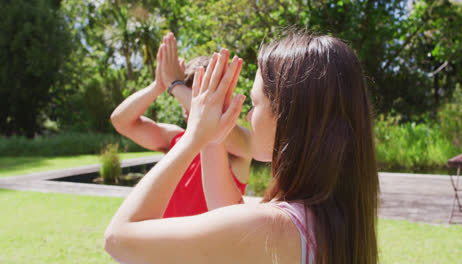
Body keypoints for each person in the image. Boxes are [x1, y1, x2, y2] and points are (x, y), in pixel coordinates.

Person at [105, 32, 379, 264]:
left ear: (286, 116)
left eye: (254, 104)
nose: (248, 116)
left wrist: (193, 138)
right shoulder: (325, 218)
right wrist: (211, 140)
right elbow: (227, 211)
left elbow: (118, 238)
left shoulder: (272, 226)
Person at [110, 32, 252, 217]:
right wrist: (158, 86)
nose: (188, 109)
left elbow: (212, 121)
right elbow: (121, 121)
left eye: (196, 99)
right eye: (187, 100)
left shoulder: (239, 144)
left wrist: (175, 85)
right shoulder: (175, 139)